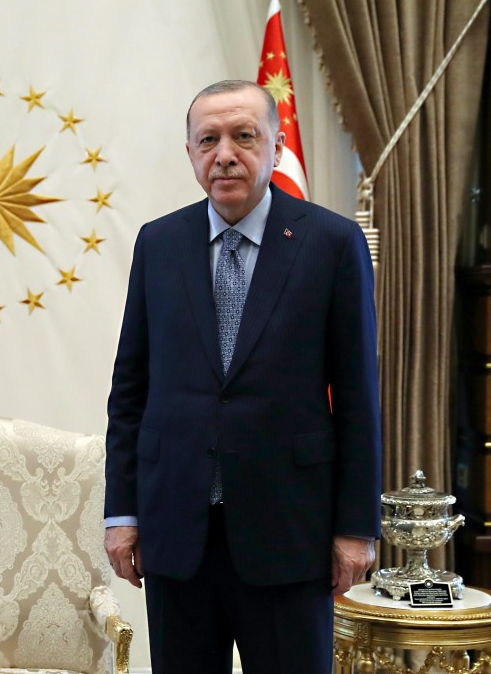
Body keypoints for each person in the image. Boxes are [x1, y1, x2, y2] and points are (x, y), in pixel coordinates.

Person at [103, 80, 381, 673]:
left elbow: (357, 398)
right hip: (179, 533)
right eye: (208, 139)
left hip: (290, 533)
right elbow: (129, 393)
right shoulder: (159, 243)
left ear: (276, 148)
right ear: (190, 153)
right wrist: (122, 513)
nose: (224, 153)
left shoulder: (331, 243)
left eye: (243, 136)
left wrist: (356, 528)